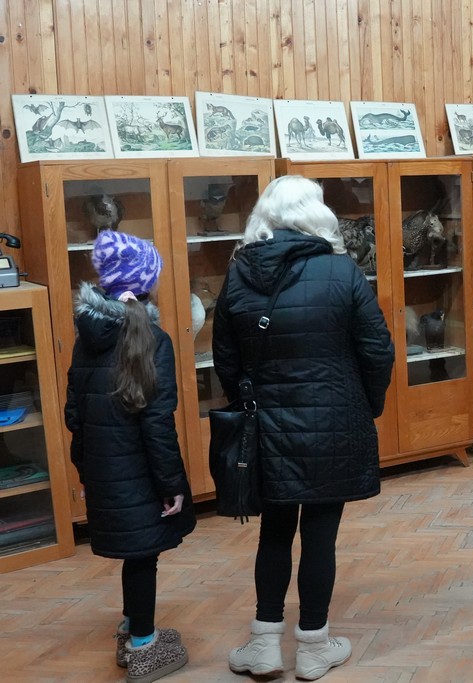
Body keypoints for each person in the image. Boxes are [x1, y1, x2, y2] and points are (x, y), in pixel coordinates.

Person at [213, 175, 394, 680]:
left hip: (267, 427)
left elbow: (225, 357)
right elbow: (377, 350)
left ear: (265, 215)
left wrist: (248, 406)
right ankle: (314, 647)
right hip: (333, 423)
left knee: (273, 532)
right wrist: (366, 405)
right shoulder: (342, 270)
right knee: (320, 536)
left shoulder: (238, 272)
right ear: (317, 214)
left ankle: (263, 645)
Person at [64, 230, 195, 682]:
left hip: (105, 469)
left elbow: (74, 414)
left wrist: (87, 472)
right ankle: (143, 646)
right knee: (143, 554)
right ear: (147, 283)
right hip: (140, 473)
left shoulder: (86, 336)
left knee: (135, 552)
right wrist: (171, 484)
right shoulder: (153, 338)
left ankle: (130, 626)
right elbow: (157, 424)